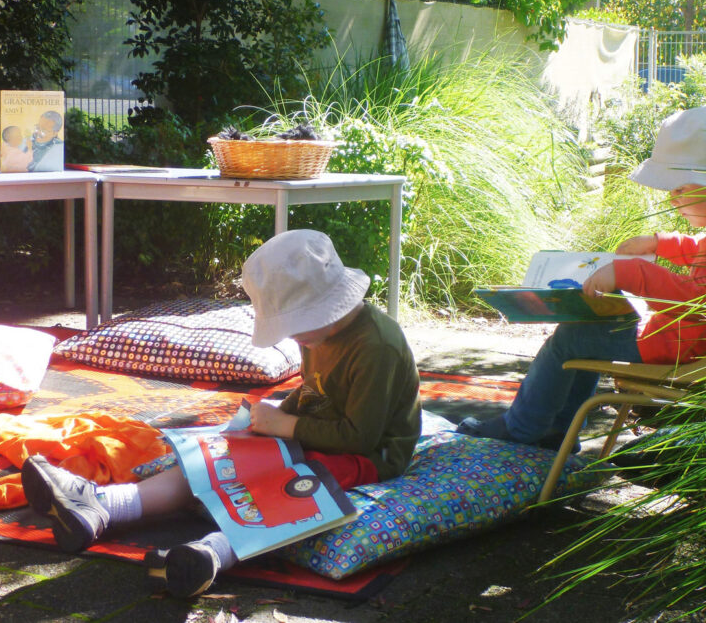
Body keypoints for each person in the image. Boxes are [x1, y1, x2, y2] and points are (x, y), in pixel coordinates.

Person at [22, 229, 422, 597]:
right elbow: (315, 390)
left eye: (295, 326)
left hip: (369, 455)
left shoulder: (376, 348)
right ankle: (105, 505)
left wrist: (287, 426)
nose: (293, 338)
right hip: (317, 429)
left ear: (326, 310)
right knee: (218, 459)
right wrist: (275, 417)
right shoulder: (317, 334)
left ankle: (211, 555)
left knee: (296, 485)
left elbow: (361, 437)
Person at [457, 105, 706, 450]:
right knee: (585, 335)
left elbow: (697, 298)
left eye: (681, 188)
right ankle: (556, 431)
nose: (672, 196)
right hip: (694, 339)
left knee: (571, 337)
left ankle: (522, 428)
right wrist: (660, 242)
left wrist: (629, 271)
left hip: (682, 344)